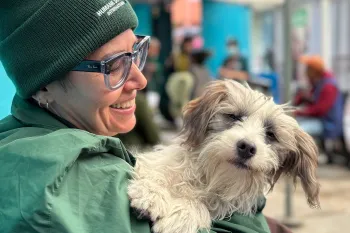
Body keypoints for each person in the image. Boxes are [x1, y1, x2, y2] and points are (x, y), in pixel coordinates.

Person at [0, 1, 271, 232]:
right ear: (45, 83)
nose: (140, 80)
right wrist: (244, 198)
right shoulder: (75, 181)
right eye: (113, 65)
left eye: (136, 52)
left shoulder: (18, 135)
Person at [294, 55, 343, 140]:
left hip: (328, 125)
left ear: (314, 70)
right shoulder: (319, 82)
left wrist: (299, 112)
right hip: (321, 120)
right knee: (294, 122)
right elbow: (311, 98)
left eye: (308, 68)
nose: (306, 72)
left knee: (297, 130)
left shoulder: (328, 86)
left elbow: (320, 110)